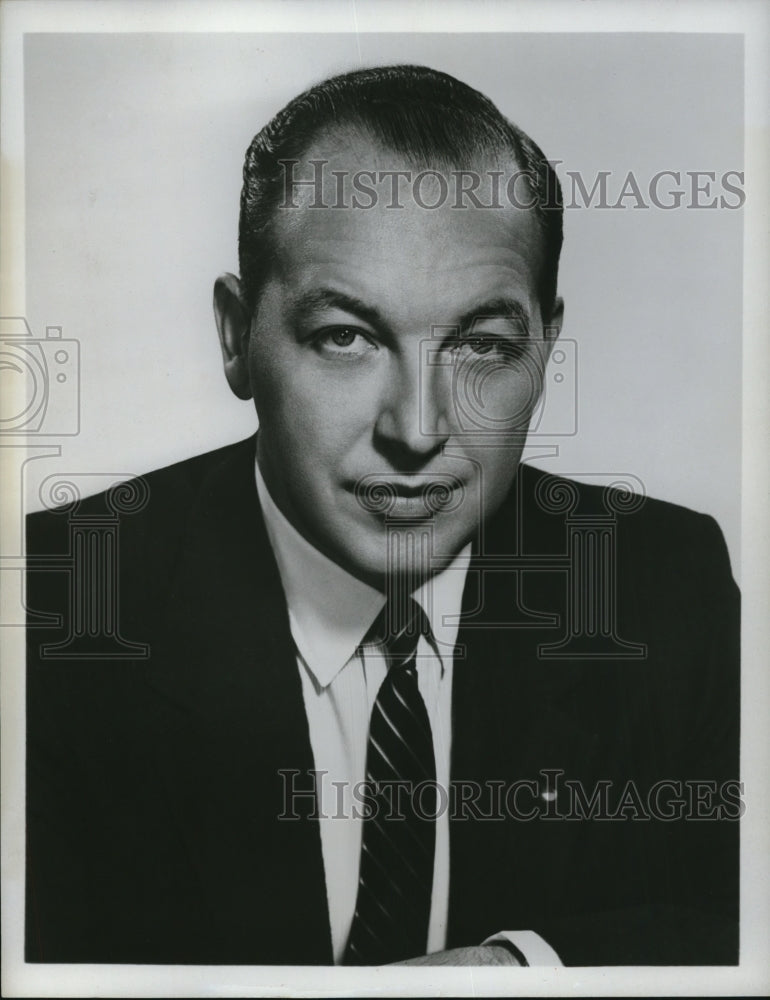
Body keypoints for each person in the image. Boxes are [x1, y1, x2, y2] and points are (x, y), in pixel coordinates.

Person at [25, 65, 740, 967]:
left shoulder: (664, 584)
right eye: (345, 338)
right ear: (236, 338)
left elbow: (743, 921)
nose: (417, 429)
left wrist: (515, 970)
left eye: (482, 345)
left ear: (547, 349)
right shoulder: (57, 608)